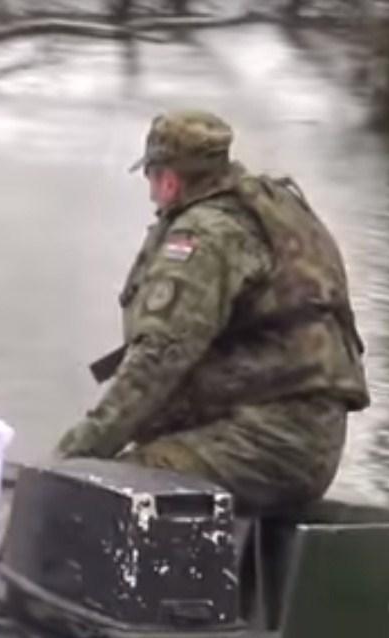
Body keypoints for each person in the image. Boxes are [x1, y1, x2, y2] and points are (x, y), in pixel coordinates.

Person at [56, 110, 370, 511]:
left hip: (265, 446)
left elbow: (159, 358)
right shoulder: (269, 210)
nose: (152, 196)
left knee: (103, 490)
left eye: (151, 180)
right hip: (305, 441)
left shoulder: (205, 236)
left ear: (169, 180)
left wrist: (77, 453)